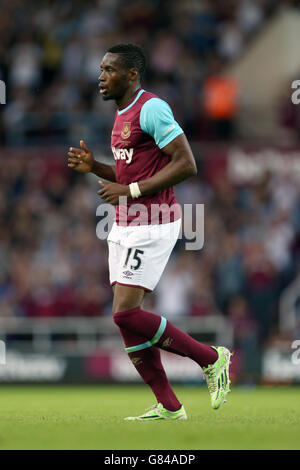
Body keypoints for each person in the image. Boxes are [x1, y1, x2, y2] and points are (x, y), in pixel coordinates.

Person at [67, 44, 232, 421]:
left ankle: (211, 358)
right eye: (101, 69)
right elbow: (129, 176)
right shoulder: (121, 114)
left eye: (109, 70)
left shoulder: (152, 108)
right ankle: (170, 407)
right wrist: (97, 167)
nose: (100, 76)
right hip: (124, 223)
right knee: (125, 317)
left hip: (154, 221)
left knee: (125, 315)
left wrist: (130, 191)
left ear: (131, 75)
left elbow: (187, 163)